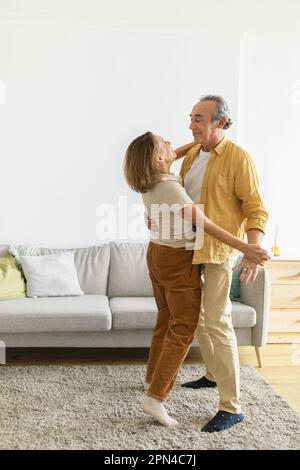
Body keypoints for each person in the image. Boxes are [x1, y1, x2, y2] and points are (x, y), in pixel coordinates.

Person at [123, 131, 269, 428]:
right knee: (183, 328)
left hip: (156, 254)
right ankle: (156, 396)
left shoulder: (148, 180)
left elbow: (174, 153)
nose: (172, 145)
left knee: (165, 321)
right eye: (164, 143)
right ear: (157, 158)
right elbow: (207, 225)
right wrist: (245, 248)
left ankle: (152, 378)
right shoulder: (171, 190)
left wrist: (207, 141)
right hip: (177, 262)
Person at [176, 95, 269, 433]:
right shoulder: (190, 157)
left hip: (218, 251)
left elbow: (255, 209)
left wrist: (251, 250)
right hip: (189, 249)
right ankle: (213, 374)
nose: (191, 124)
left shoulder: (238, 158)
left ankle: (232, 407)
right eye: (191, 118)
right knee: (200, 317)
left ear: (221, 122)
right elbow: (184, 201)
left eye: (199, 118)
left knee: (218, 321)